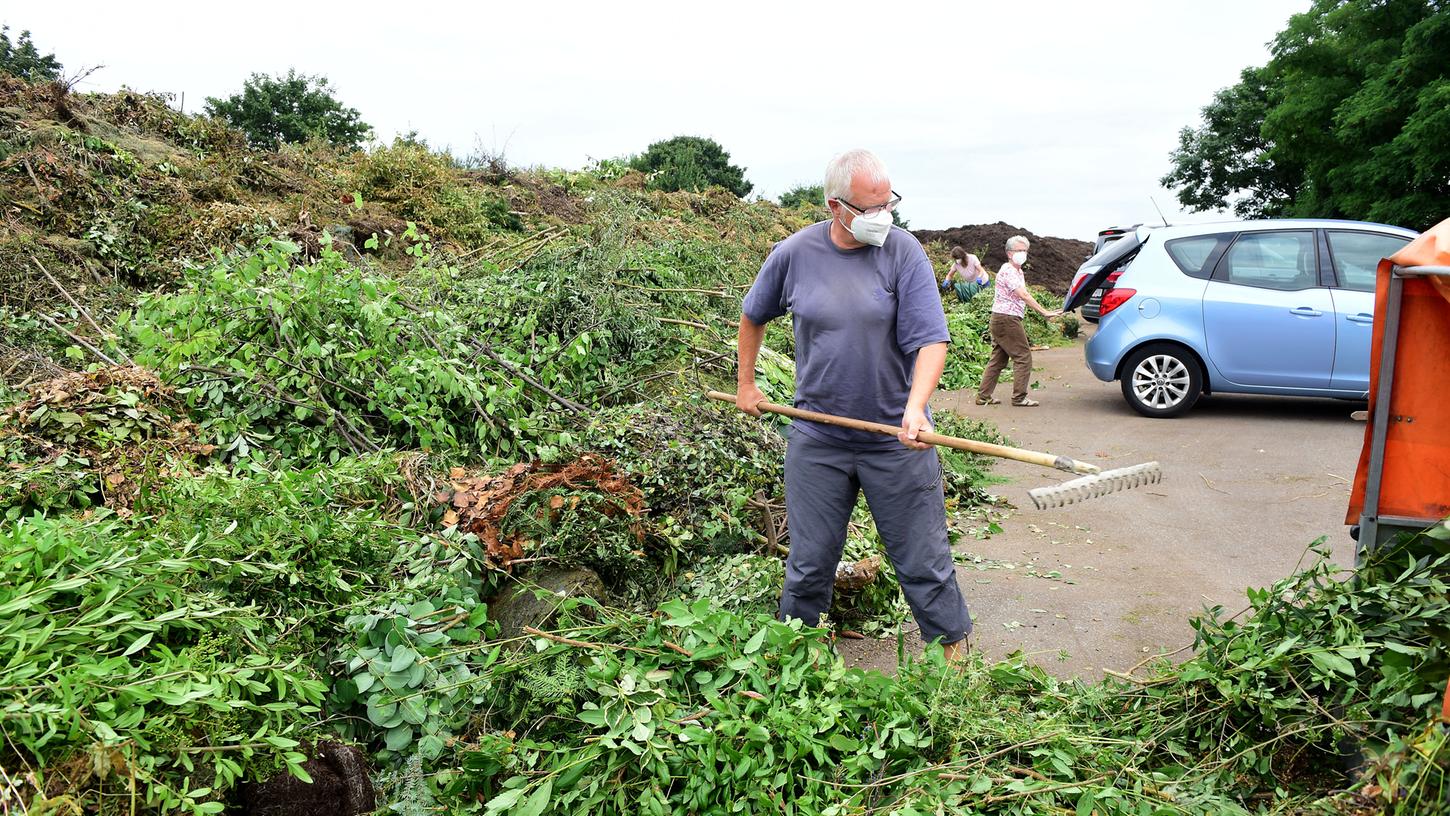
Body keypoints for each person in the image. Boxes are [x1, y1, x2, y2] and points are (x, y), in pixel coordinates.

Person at [735, 149, 971, 662]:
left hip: (895, 439)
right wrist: (746, 385)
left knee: (922, 558)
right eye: (870, 208)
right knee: (810, 560)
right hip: (818, 438)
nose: (882, 217)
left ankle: (953, 655)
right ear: (834, 206)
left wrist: (916, 407)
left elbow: (931, 340)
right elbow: (753, 316)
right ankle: (797, 656)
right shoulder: (794, 254)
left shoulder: (903, 253)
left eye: (889, 204)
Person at [975, 235, 1061, 407]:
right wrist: (1044, 312)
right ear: (1009, 253)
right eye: (1019, 250)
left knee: (998, 359)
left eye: (1025, 251)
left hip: (1001, 318)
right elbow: (1023, 295)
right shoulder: (1008, 271)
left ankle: (983, 396)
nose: (1022, 253)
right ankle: (1019, 397)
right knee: (1023, 356)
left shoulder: (1018, 271)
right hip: (1007, 319)